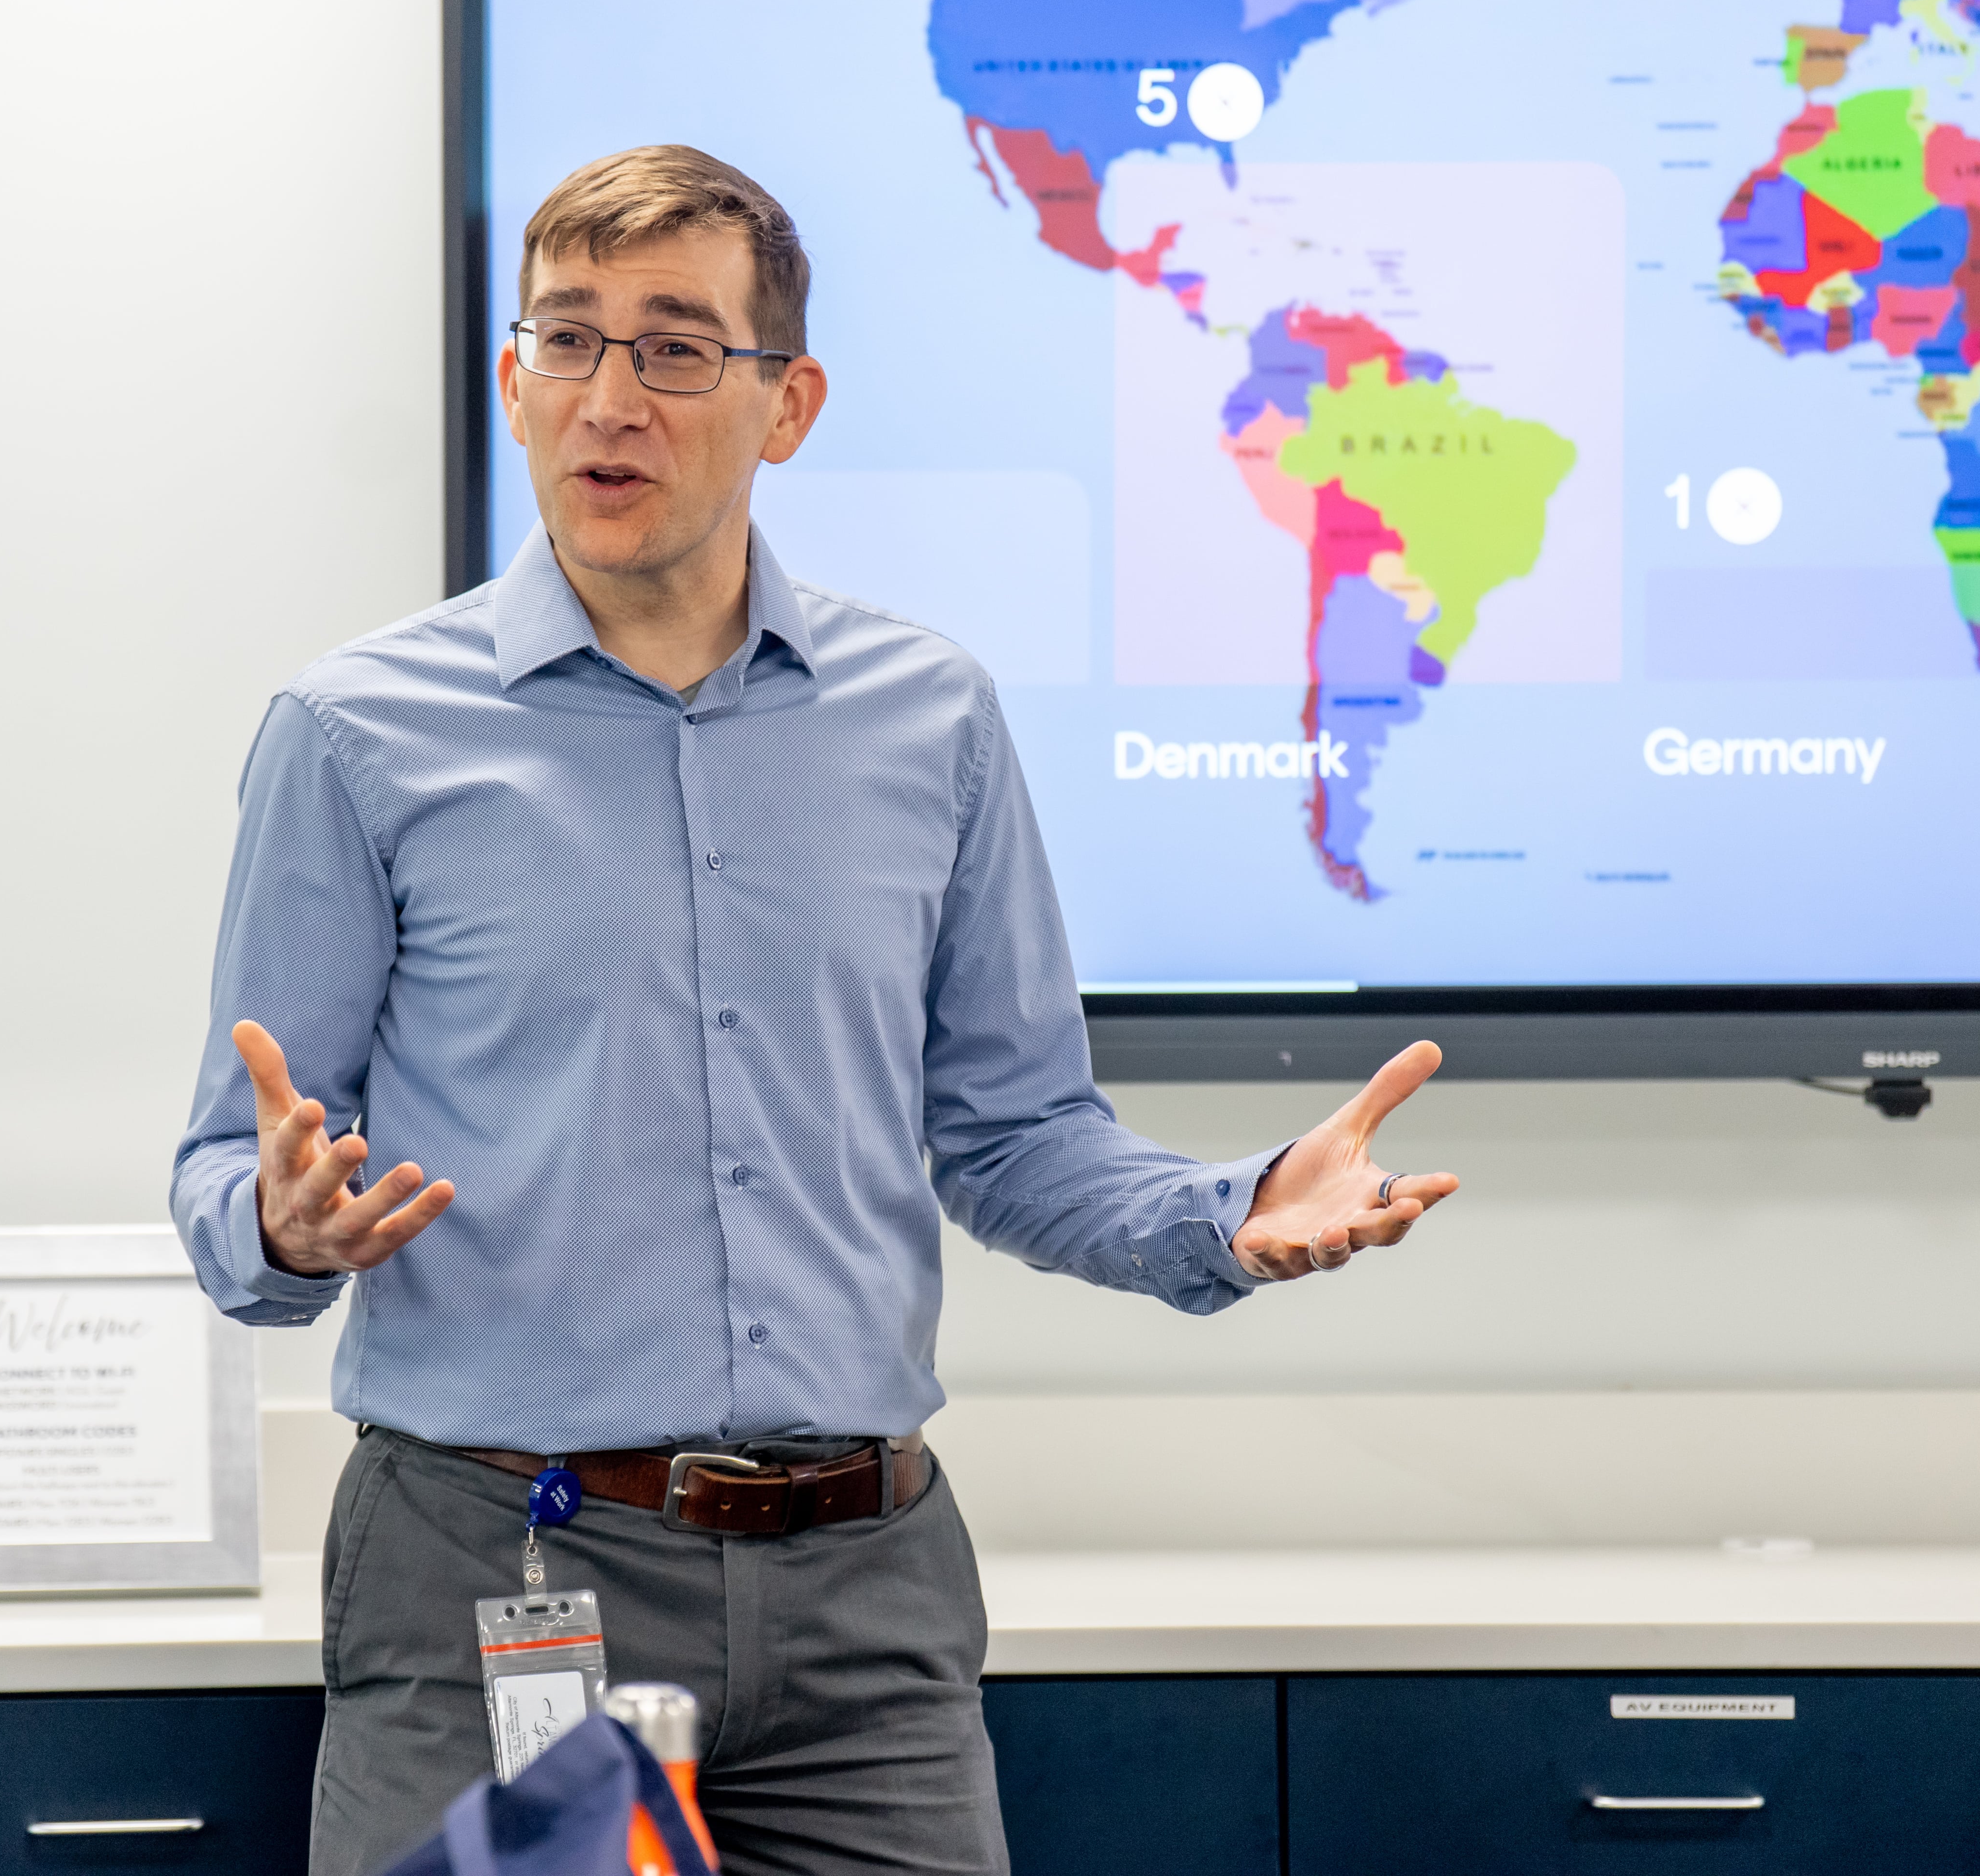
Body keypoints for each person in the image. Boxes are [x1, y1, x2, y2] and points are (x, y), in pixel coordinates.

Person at [171, 144, 1458, 1876]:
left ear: (788, 405)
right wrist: (285, 1225)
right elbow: (227, 1168)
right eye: (569, 338)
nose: (610, 397)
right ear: (516, 381)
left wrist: (1223, 1217)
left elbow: (1014, 1135)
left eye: (675, 346)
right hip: (507, 1569)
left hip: (868, 1602)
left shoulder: (931, 718)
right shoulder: (357, 734)